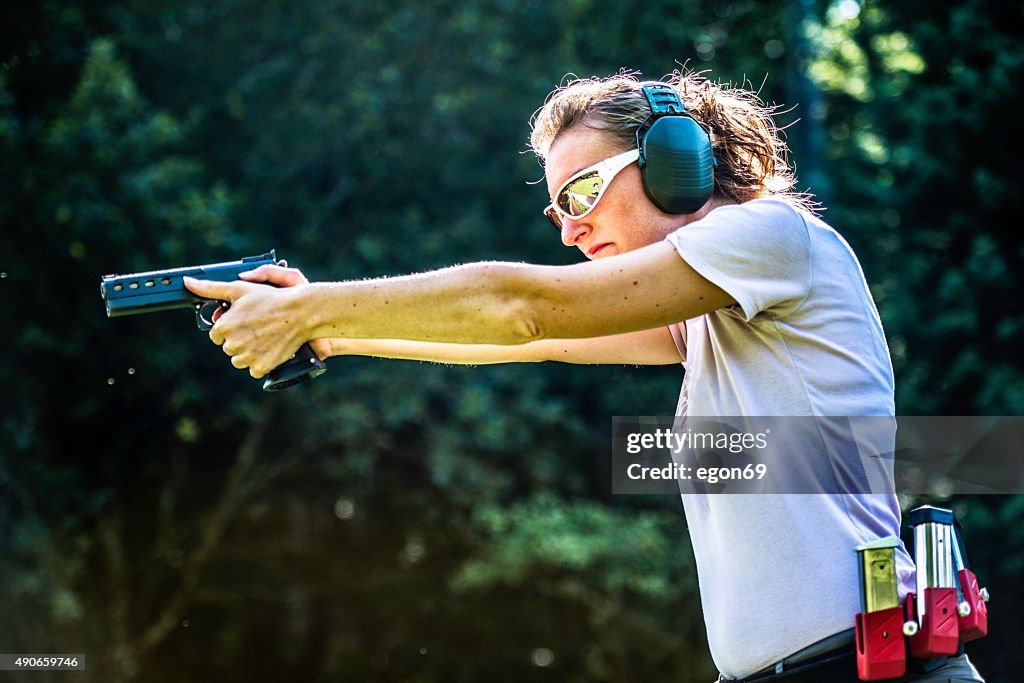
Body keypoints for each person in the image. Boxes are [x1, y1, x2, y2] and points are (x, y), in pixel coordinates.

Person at [184, 69, 986, 682]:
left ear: (677, 163)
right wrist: (331, 332)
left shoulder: (769, 238)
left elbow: (522, 308)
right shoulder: (714, 309)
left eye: (583, 191)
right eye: (557, 205)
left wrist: (318, 307)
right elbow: (532, 342)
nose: (570, 227)